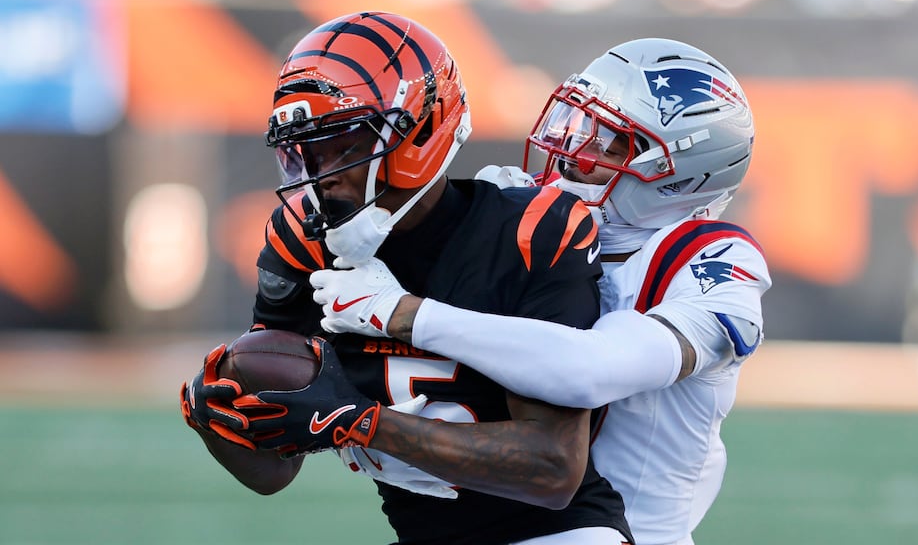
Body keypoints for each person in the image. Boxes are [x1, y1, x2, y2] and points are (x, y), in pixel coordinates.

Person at [179, 11, 633, 545]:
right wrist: (223, 416)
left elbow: (553, 470)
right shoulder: (302, 239)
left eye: (344, 145)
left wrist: (362, 421)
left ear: (420, 130)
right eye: (307, 149)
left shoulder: (530, 232)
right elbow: (275, 472)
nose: (323, 174)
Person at [305, 38, 771, 545]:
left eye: (609, 140)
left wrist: (402, 312)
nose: (574, 150)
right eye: (578, 123)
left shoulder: (713, 263)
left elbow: (587, 371)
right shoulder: (532, 214)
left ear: (677, 173)